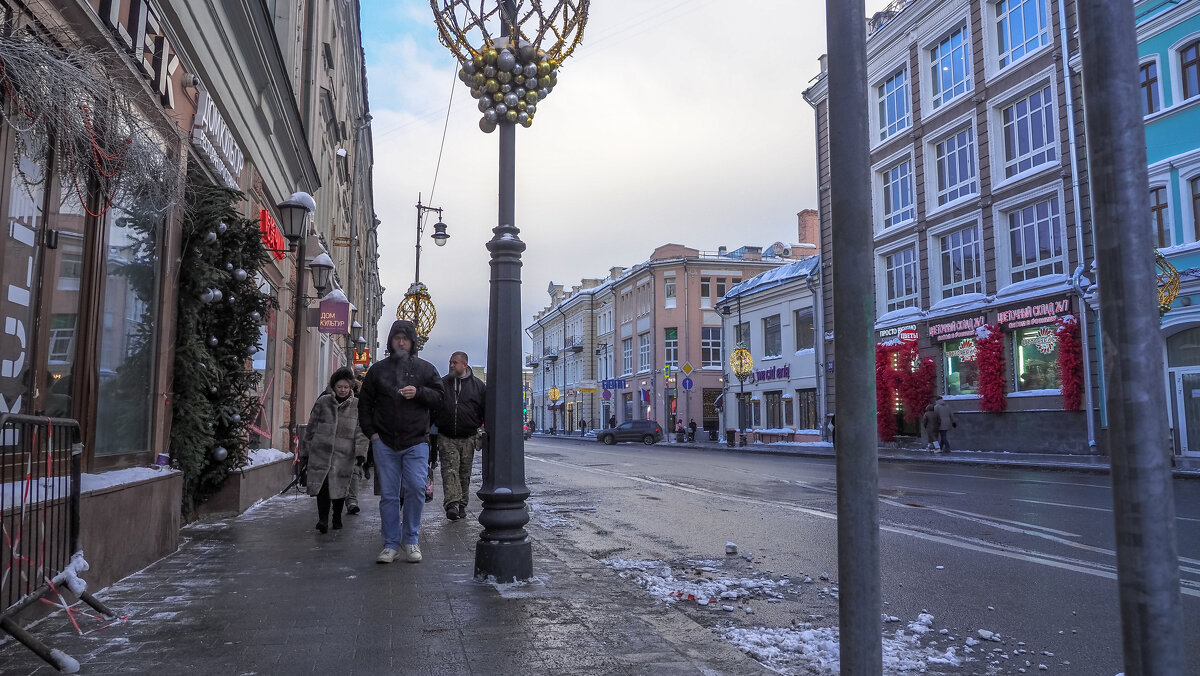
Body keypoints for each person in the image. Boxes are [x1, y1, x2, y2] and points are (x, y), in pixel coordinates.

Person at [358, 320, 444, 564]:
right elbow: (365, 404)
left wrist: (419, 393)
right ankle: (390, 544)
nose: (402, 341)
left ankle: (411, 539)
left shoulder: (426, 369)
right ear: (391, 341)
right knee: (389, 495)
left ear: (412, 342)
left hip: (416, 440)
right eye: (397, 337)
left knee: (417, 488)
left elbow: (439, 398)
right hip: (384, 441)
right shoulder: (378, 370)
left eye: (406, 338)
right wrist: (372, 434)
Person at [301, 367, 367, 534]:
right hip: (321, 451)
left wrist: (360, 453)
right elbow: (312, 426)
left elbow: (361, 431)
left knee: (339, 486)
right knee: (322, 487)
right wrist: (306, 451)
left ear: (351, 387)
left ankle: (336, 517)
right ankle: (322, 519)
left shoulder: (357, 405)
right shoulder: (323, 402)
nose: (343, 390)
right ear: (333, 386)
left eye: (346, 387)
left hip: (344, 454)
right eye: (340, 387)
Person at [432, 351, 485, 522]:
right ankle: (452, 504)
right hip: (446, 435)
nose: (452, 365)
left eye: (455, 362)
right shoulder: (442, 383)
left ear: (464, 364)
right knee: (450, 470)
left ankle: (462, 504)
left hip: (468, 436)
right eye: (450, 362)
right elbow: (434, 406)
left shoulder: (478, 386)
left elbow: (484, 411)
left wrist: (482, 428)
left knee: (464, 472)